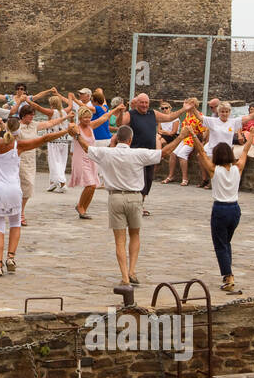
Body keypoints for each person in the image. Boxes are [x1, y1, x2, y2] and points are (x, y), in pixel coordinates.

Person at [70, 123, 188, 290]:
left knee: (119, 240)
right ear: (131, 140)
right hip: (134, 197)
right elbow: (164, 152)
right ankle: (132, 271)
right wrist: (181, 137)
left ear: (117, 138)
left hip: (115, 197)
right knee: (135, 235)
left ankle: (125, 276)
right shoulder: (138, 154)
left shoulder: (106, 153)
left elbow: (86, 147)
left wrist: (76, 135)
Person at [0, 116, 68, 275]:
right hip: (12, 188)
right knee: (15, 223)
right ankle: (10, 257)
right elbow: (45, 137)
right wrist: (66, 130)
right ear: (18, 130)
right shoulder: (19, 145)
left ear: (5, 129)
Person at [192, 130, 254, 294]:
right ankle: (228, 273)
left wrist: (192, 135)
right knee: (226, 243)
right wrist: (252, 136)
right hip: (235, 209)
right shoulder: (238, 168)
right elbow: (245, 150)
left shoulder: (214, 169)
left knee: (220, 245)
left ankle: (228, 276)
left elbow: (200, 151)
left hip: (220, 208)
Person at [116, 93, 189, 215]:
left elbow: (170, 117)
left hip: (150, 153)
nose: (144, 105)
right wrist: (119, 114)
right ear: (137, 103)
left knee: (148, 179)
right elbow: (120, 124)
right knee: (139, 180)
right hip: (136, 153)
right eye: (142, 102)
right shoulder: (131, 114)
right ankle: (136, 206)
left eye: (146, 103)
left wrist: (184, 109)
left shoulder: (152, 114)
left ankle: (140, 204)